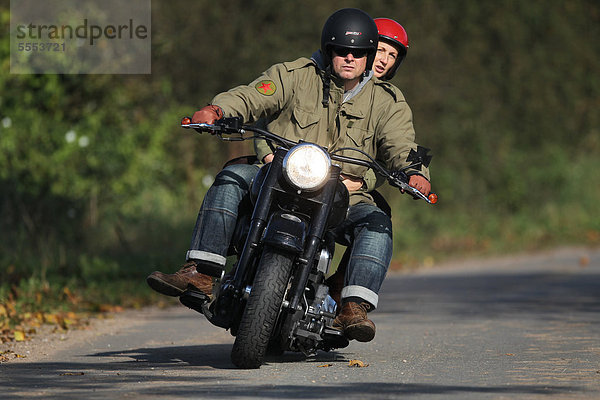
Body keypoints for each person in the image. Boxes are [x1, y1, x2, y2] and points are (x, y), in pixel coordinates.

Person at [147, 8, 431, 343]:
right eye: (342, 50)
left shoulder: (388, 102)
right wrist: (218, 110)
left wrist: (414, 172)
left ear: (369, 57)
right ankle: (201, 271)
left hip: (345, 191)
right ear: (329, 50)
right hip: (277, 173)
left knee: (378, 223)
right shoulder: (294, 74)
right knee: (230, 180)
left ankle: (353, 306)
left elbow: (400, 145)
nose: (350, 58)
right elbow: (252, 96)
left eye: (360, 53)